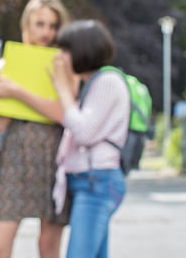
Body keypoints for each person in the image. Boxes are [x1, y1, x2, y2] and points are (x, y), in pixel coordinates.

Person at [0, 0, 70, 258]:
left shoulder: (63, 62)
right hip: (16, 154)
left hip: (54, 154)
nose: (46, 31)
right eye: (40, 24)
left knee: (48, 246)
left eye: (52, 25)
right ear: (28, 25)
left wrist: (18, 92)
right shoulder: (9, 62)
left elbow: (63, 114)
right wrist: (1, 94)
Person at [50, 19, 129, 258]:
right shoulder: (94, 83)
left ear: (82, 51)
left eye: (66, 50)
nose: (61, 57)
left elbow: (84, 133)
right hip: (91, 181)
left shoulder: (107, 82)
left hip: (97, 181)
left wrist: (63, 91)